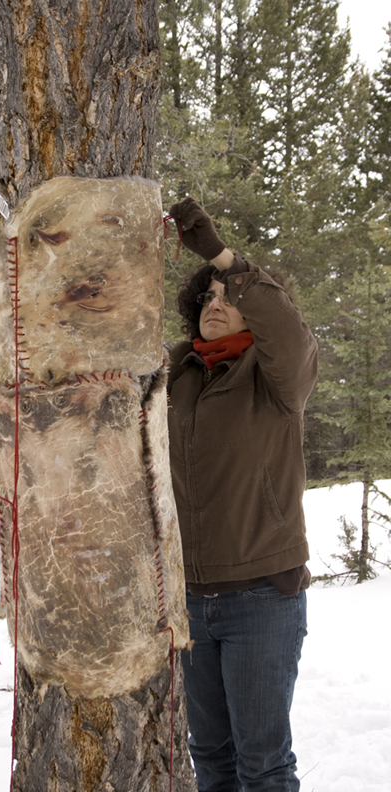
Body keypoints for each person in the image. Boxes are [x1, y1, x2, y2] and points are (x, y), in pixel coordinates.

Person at [166, 197, 318, 792]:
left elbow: (287, 328)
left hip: (262, 597)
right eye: (208, 296)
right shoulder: (176, 374)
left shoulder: (278, 378)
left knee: (263, 764)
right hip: (187, 601)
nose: (215, 303)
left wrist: (223, 258)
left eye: (228, 297)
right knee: (211, 759)